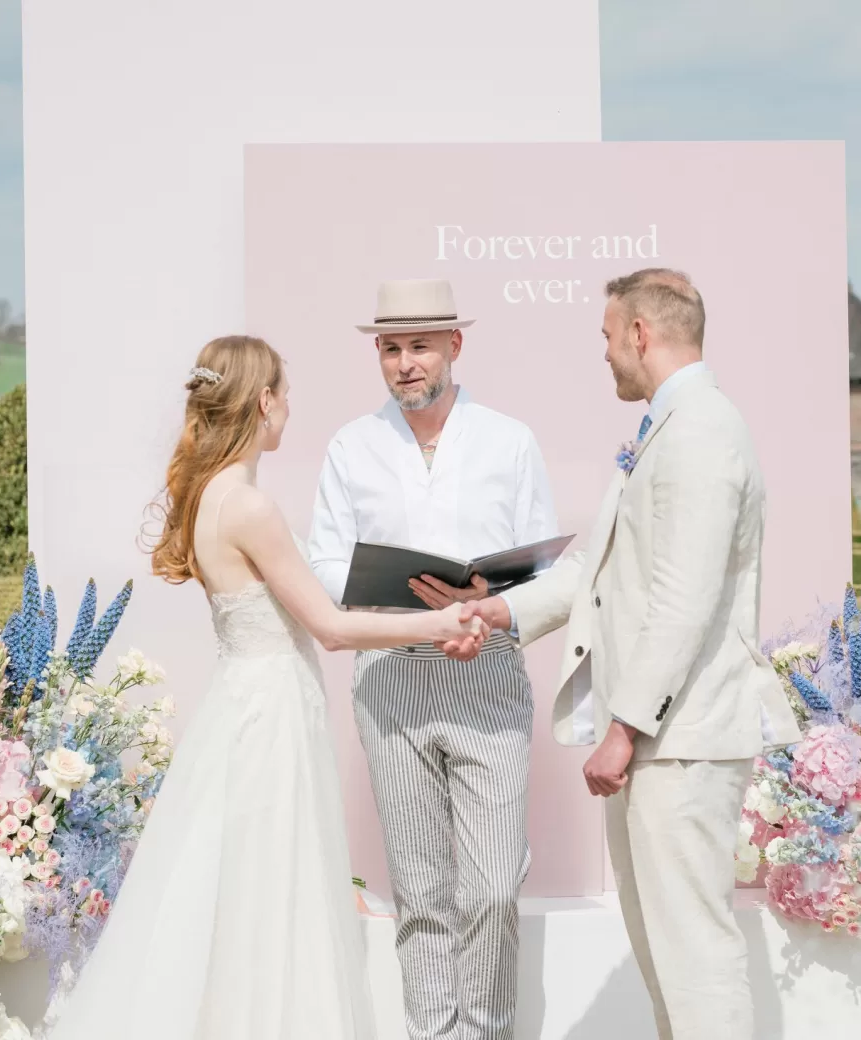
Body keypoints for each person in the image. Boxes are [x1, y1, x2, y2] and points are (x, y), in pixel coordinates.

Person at [49, 335, 487, 1040]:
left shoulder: (206, 497)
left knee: (235, 895)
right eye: (286, 394)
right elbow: (331, 628)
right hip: (272, 713)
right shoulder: (249, 506)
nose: (291, 409)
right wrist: (440, 622)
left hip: (241, 705)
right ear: (264, 401)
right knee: (273, 895)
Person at [444, 270, 802, 1040]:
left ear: (640, 333)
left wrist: (625, 727)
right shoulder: (670, 426)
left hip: (683, 741)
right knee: (662, 957)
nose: (605, 355)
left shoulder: (703, 430)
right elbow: (599, 570)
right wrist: (498, 609)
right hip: (662, 742)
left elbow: (685, 595)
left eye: (608, 338)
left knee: (696, 958)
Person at [307, 278, 557, 1040]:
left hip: (487, 677)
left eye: (419, 345)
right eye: (391, 348)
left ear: (455, 345)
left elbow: (544, 569)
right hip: (389, 684)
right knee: (419, 895)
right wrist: (400, 605)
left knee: (489, 892)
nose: (405, 363)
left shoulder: (510, 440)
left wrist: (484, 604)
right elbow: (322, 565)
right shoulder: (351, 446)